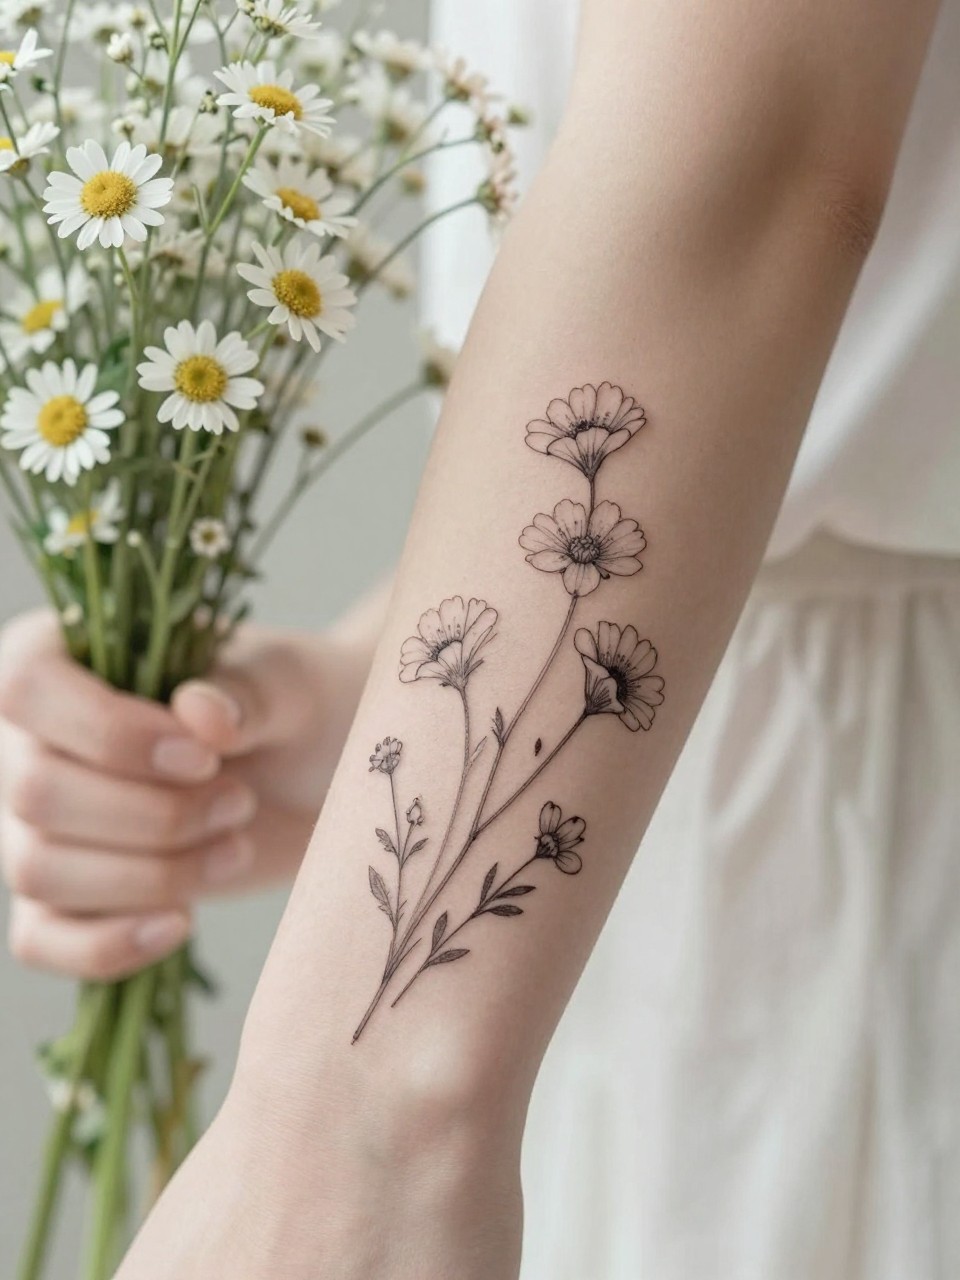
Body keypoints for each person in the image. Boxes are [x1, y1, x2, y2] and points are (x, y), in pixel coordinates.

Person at [0, 1, 952, 1276]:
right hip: (635, 889)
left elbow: (756, 169)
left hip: (850, 854)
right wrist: (380, 710)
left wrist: (352, 1111)